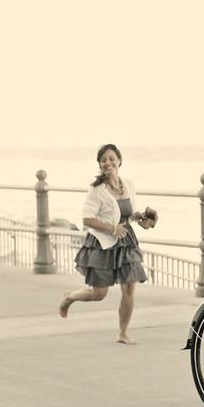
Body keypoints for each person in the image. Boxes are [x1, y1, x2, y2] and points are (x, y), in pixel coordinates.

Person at [59, 144, 155, 344]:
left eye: (111, 158)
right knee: (99, 294)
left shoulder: (128, 184)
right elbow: (87, 219)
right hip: (102, 243)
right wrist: (112, 229)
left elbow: (130, 214)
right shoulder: (96, 190)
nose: (108, 162)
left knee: (129, 288)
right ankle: (70, 297)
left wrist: (143, 218)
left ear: (119, 161)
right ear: (100, 165)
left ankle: (122, 333)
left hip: (126, 241)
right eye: (103, 160)